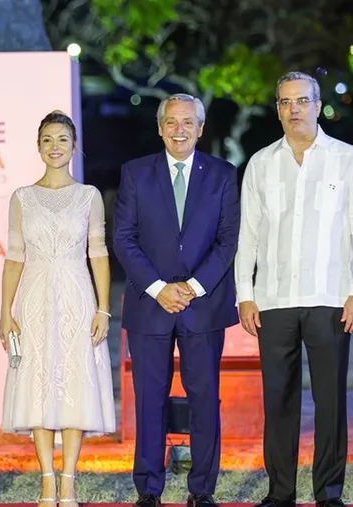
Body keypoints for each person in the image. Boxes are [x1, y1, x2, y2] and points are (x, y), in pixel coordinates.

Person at [234, 71, 353, 507]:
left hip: (331, 298)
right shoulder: (261, 163)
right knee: (277, 401)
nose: (293, 109)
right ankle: (280, 494)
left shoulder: (347, 159)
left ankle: (328, 494)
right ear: (276, 109)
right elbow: (249, 235)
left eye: (302, 100)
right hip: (274, 299)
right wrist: (245, 292)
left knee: (330, 402)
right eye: (284, 102)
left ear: (318, 105)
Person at [113, 93, 241, 507]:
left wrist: (192, 287)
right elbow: (124, 238)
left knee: (205, 399)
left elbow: (227, 240)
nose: (179, 129)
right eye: (171, 122)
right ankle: (148, 489)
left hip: (203, 306)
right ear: (160, 127)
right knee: (150, 399)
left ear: (201, 129)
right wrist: (158, 288)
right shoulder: (135, 173)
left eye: (188, 122)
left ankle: (202, 489)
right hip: (150, 305)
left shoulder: (223, 174)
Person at [0, 110, 115, 507]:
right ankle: (47, 480)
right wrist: (4, 312)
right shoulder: (22, 198)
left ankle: (69, 482)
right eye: (47, 139)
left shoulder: (89, 196)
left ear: (74, 145)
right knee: (38, 385)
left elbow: (98, 253)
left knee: (74, 385)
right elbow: (14, 257)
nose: (55, 147)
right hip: (33, 297)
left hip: (76, 296)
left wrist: (103, 309)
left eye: (62, 139)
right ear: (38, 146)